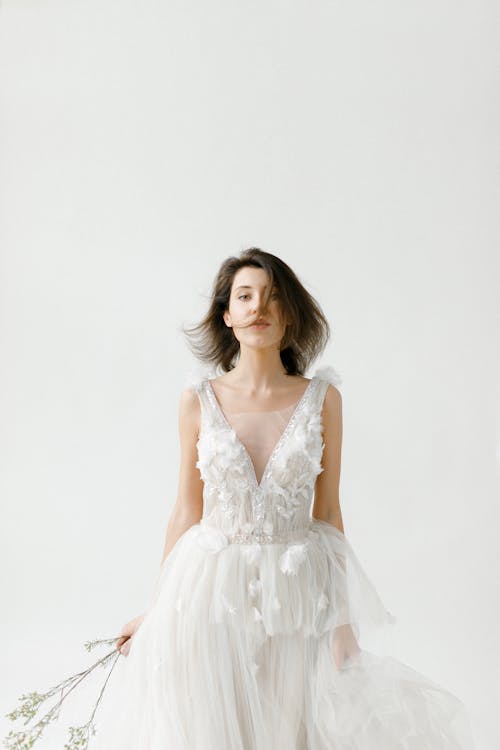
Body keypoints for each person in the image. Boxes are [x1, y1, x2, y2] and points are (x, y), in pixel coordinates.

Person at [95, 247, 475, 748]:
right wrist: (156, 610)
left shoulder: (323, 399)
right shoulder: (197, 400)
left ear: (290, 315)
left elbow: (329, 512)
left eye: (272, 298)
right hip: (209, 592)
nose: (258, 307)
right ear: (227, 316)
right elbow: (186, 510)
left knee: (291, 726)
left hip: (297, 593)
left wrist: (342, 621)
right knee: (214, 725)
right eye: (245, 296)